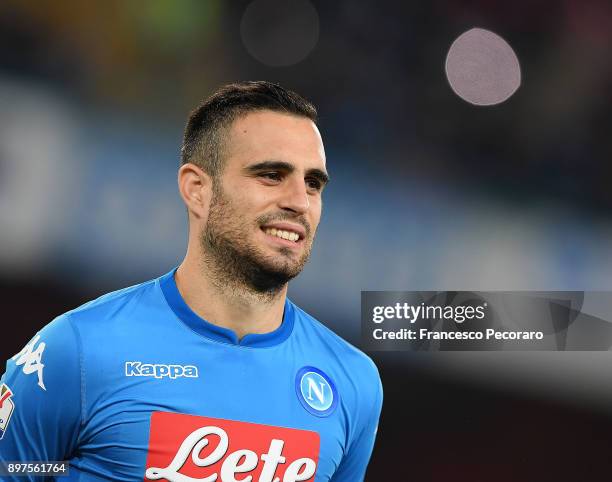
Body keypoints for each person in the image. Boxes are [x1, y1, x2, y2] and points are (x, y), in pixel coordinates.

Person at [0, 81, 383, 481]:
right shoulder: (76, 352)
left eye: (313, 183)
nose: (299, 202)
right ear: (197, 189)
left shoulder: (352, 381)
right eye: (271, 175)